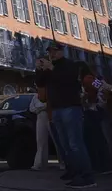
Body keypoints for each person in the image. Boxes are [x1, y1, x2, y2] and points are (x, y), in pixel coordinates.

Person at [36, 42, 96, 189]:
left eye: (55, 51)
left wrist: (52, 68)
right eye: (50, 51)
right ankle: (74, 172)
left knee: (75, 143)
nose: (52, 54)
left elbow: (69, 81)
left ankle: (87, 176)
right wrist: (40, 69)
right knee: (65, 145)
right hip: (56, 108)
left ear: (62, 51)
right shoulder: (50, 68)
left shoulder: (70, 65)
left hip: (70, 107)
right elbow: (40, 83)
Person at [78, 62, 112, 174]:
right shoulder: (90, 78)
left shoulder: (88, 79)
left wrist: (94, 100)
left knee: (96, 138)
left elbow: (104, 88)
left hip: (94, 110)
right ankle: (102, 165)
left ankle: (102, 165)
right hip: (95, 109)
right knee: (96, 138)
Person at [29, 83, 50, 170]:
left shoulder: (50, 95)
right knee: (41, 141)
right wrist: (42, 108)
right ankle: (39, 163)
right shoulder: (35, 97)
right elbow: (32, 108)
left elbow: (49, 105)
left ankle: (63, 162)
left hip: (50, 116)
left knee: (58, 141)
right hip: (40, 118)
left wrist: (41, 108)